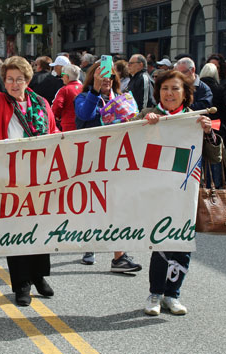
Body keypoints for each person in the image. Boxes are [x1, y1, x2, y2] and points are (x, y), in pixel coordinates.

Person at [0, 44, 59, 307]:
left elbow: (53, 134)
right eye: (9, 79)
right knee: (17, 232)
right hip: (10, 176)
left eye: (19, 79)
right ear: (4, 81)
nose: (14, 83)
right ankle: (22, 284)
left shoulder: (41, 104)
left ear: (27, 80)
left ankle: (39, 276)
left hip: (40, 175)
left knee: (40, 228)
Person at [133, 70, 222, 316]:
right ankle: (155, 293)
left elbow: (215, 156)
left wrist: (208, 133)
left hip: (186, 192)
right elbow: (131, 146)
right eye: (164, 89)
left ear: (185, 93)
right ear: (158, 92)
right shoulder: (147, 115)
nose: (169, 93)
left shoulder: (195, 119)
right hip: (157, 191)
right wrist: (143, 126)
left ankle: (173, 295)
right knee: (161, 243)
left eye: (175, 89)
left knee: (182, 244)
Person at [74, 61, 143, 272]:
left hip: (118, 161)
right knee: (92, 206)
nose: (106, 80)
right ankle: (89, 244)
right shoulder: (83, 97)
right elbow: (84, 116)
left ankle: (119, 257)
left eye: (110, 76)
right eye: (100, 75)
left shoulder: (124, 99)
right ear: (92, 77)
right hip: (91, 162)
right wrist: (94, 90)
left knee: (118, 207)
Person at [52, 64, 83, 131]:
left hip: (68, 124)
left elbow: (57, 105)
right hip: (83, 123)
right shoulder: (84, 88)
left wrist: (56, 116)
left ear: (66, 76)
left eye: (63, 75)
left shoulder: (64, 90)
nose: (62, 77)